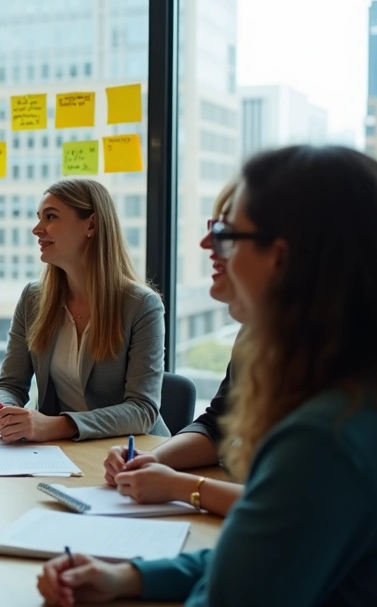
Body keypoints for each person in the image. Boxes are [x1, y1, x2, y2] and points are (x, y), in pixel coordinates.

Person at [37, 145, 377, 607]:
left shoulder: (328, 437)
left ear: (281, 258)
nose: (207, 246)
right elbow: (270, 552)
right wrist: (131, 577)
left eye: (227, 234)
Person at [103, 176, 245, 516]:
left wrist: (181, 487)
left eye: (224, 232)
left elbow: (295, 506)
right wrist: (152, 459)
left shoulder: (340, 365)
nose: (205, 243)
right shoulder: (255, 334)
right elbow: (217, 426)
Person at [0, 179, 166, 442]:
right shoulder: (33, 298)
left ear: (91, 225)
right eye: (39, 218)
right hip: (57, 451)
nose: (37, 229)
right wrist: (4, 411)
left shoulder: (141, 305)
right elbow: (9, 385)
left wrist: (55, 426)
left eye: (51, 217)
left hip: (130, 451)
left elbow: (142, 410)